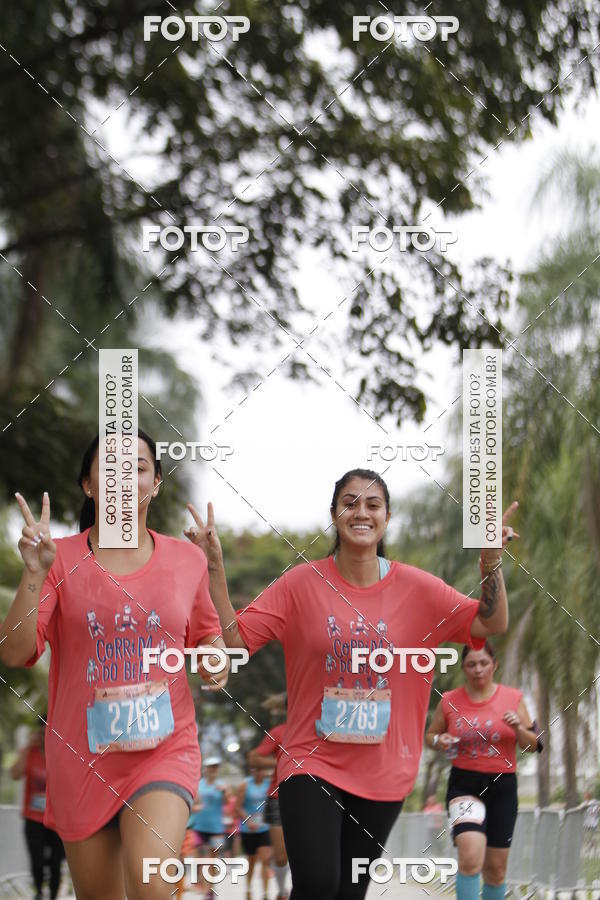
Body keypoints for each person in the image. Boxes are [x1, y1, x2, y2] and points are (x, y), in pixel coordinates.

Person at [185, 468, 519, 899]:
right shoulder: (300, 584)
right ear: (334, 514)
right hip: (311, 758)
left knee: (349, 891)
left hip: (385, 769)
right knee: (318, 885)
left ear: (386, 517)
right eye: (349, 502)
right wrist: (214, 568)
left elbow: (491, 621)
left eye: (372, 504)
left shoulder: (418, 589)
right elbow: (235, 641)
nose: (360, 511)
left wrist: (490, 562)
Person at [0, 431, 228, 900]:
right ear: (88, 485)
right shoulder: (58, 558)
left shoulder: (187, 559)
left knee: (151, 884)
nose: (124, 477)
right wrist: (33, 573)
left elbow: (207, 634)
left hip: (164, 749)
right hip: (81, 757)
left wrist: (215, 659)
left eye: (138, 467)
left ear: (157, 482)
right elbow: (15, 652)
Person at [425, 642, 539, 900]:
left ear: (494, 665)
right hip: (464, 785)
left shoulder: (513, 698)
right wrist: (438, 741)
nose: (478, 669)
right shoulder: (450, 700)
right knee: (469, 858)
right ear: (464, 668)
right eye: (471, 664)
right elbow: (430, 736)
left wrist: (519, 728)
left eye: (484, 663)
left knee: (496, 871)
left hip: (503, 786)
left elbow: (534, 744)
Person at [11, 721, 65, 900]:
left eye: (46, 733)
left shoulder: (59, 753)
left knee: (56, 862)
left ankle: (53, 895)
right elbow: (15, 774)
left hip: (56, 820)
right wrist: (27, 747)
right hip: (33, 819)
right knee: (37, 861)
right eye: (40, 734)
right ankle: (39, 893)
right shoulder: (30, 753)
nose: (43, 738)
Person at [247, 693, 289, 900]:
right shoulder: (279, 732)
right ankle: (282, 891)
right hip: (278, 797)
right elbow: (254, 758)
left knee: (306, 853)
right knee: (280, 857)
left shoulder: (320, 730)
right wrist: (282, 762)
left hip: (311, 798)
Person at [187, 757, 228, 899]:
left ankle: (209, 888)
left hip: (216, 829)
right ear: (206, 769)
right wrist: (195, 807)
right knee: (203, 859)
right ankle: (206, 890)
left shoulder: (222, 785)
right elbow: (192, 803)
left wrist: (224, 792)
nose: (213, 769)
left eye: (216, 767)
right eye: (211, 767)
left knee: (212, 860)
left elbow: (228, 802)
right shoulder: (199, 785)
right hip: (200, 827)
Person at [236, 766, 272, 900]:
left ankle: (265, 893)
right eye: (257, 769)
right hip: (249, 829)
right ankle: (249, 889)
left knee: (265, 859)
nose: (260, 772)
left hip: (265, 828)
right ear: (252, 770)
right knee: (251, 861)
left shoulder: (269, 784)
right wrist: (248, 821)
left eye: (262, 769)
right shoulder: (245, 785)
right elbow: (238, 807)